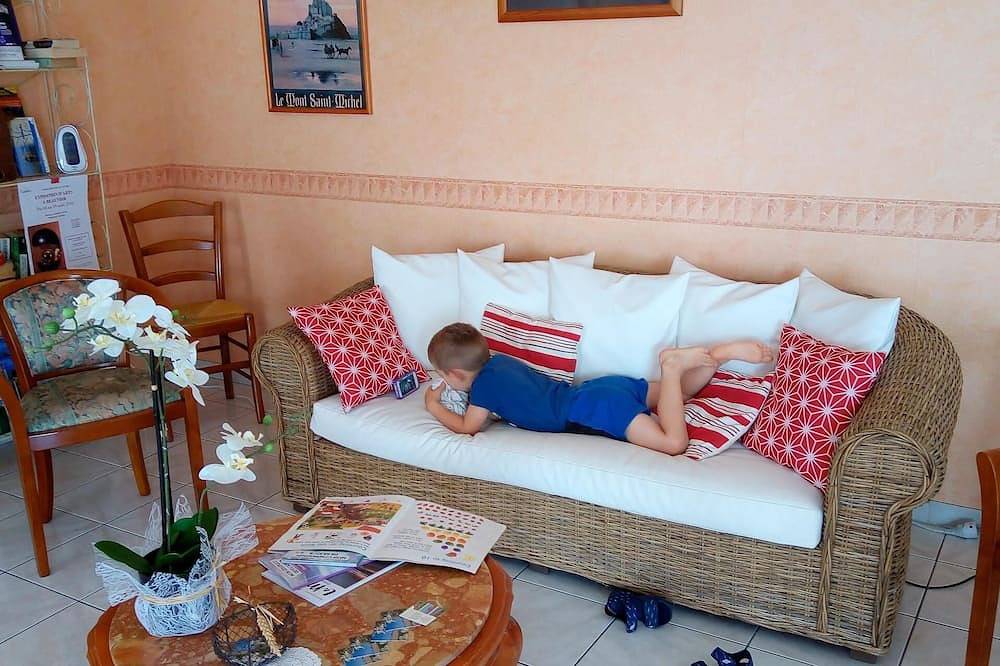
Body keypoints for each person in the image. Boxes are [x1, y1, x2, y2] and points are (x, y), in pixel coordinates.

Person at [424, 323, 773, 455]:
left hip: (595, 410)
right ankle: (719, 357)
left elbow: (469, 427)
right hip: (601, 389)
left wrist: (435, 407)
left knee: (673, 443)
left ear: (454, 373)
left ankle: (672, 365)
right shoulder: (500, 362)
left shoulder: (483, 387)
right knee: (679, 397)